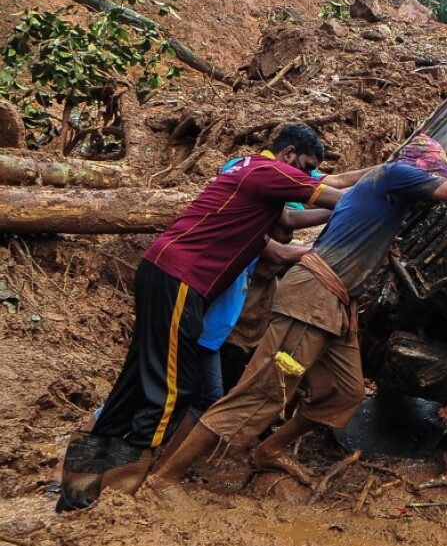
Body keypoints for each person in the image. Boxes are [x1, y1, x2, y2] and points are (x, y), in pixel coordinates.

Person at [151, 135, 447, 489]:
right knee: (261, 393)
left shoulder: (380, 184)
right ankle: (164, 479)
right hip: (312, 298)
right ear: (416, 173)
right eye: (430, 180)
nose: (430, 189)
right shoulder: (396, 176)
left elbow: (342, 186)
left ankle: (269, 450)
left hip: (335, 305)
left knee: (345, 393)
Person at [56, 123, 373, 512]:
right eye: (305, 167)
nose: (306, 177)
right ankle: (121, 492)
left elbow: (317, 197)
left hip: (164, 269)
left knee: (138, 379)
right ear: (289, 154)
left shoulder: (250, 177)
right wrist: (389, 193)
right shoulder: (268, 171)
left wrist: (378, 173)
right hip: (182, 277)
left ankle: (78, 488)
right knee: (171, 388)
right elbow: (341, 197)